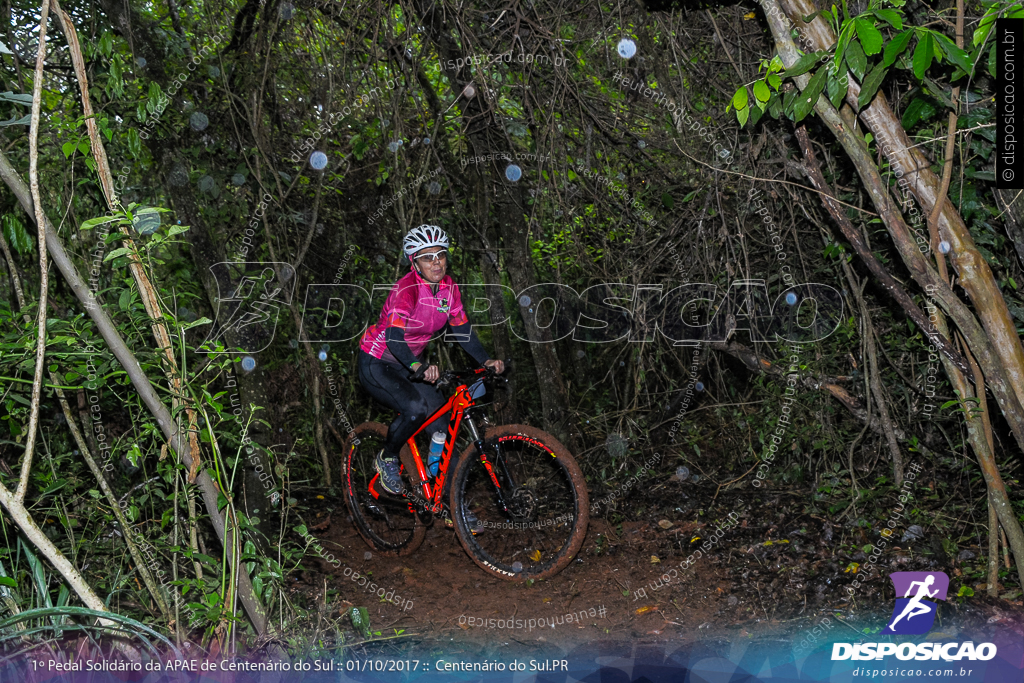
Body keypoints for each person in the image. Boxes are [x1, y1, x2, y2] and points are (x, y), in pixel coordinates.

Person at [357, 225, 504, 530]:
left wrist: (486, 360)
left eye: (440, 255)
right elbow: (395, 339)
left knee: (442, 424)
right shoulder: (406, 290)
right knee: (414, 409)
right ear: (414, 263)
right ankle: (387, 458)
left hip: (411, 363)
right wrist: (417, 367)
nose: (436, 262)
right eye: (427, 257)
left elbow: (461, 330)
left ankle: (445, 501)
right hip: (379, 361)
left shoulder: (449, 288)